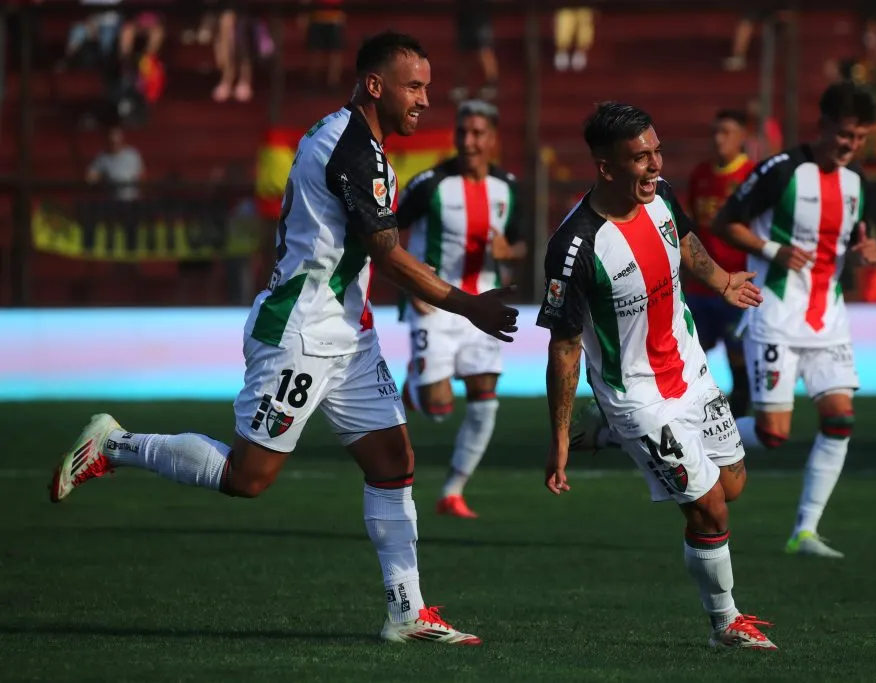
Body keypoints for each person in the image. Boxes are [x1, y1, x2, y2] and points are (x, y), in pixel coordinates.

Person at [49, 31, 520, 646]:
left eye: (428, 87)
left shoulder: (357, 139)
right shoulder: (352, 147)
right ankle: (117, 446)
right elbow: (386, 250)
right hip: (299, 332)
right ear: (375, 85)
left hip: (348, 333)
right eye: (415, 86)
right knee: (249, 478)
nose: (425, 100)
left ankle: (407, 611)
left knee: (393, 463)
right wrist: (466, 305)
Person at [538, 102, 776, 649]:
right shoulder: (575, 248)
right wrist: (557, 439)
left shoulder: (662, 194)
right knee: (710, 509)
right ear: (605, 168)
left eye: (656, 151)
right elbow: (565, 347)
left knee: (733, 485)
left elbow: (686, 243)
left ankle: (604, 436)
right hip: (637, 394)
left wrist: (721, 282)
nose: (653, 165)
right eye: (639, 157)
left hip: (690, 368)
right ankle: (726, 623)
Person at [710, 80, 876, 559]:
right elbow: (726, 220)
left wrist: (865, 251)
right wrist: (771, 249)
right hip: (778, 318)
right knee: (772, 435)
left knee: (840, 419)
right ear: (824, 125)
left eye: (861, 138)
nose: (852, 145)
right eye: (846, 134)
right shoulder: (782, 170)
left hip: (829, 319)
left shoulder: (857, 182)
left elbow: (857, 238)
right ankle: (691, 433)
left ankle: (805, 531)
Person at [397, 99, 526, 519]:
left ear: (493, 139)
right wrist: (410, 281)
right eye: (462, 132)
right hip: (434, 302)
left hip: (483, 304)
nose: (468, 141)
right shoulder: (430, 184)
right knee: (438, 411)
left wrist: (512, 250)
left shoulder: (508, 187)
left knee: (485, 399)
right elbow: (383, 232)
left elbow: (521, 242)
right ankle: (417, 386)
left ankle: (452, 491)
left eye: (477, 133)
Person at [685, 109, 756, 417]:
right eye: (715, 131)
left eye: (726, 132)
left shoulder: (752, 176)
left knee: (736, 351)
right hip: (701, 283)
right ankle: (691, 408)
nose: (718, 138)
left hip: (738, 280)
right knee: (690, 349)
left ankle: (740, 412)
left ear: (743, 137)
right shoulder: (700, 175)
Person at [86, 126, 144, 202]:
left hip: (131, 200)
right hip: (112, 201)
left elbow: (142, 173)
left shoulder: (132, 155)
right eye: (112, 142)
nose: (115, 145)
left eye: (117, 142)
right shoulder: (103, 157)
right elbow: (91, 176)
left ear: (122, 141)